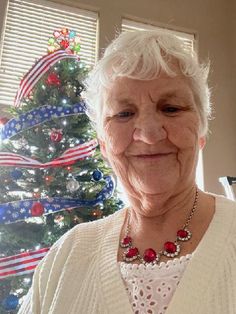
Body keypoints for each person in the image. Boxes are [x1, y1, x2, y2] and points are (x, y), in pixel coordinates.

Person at [19, 30, 236, 314]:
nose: (148, 134)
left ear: (201, 132)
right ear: (104, 144)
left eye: (170, 108)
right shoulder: (65, 257)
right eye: (123, 114)